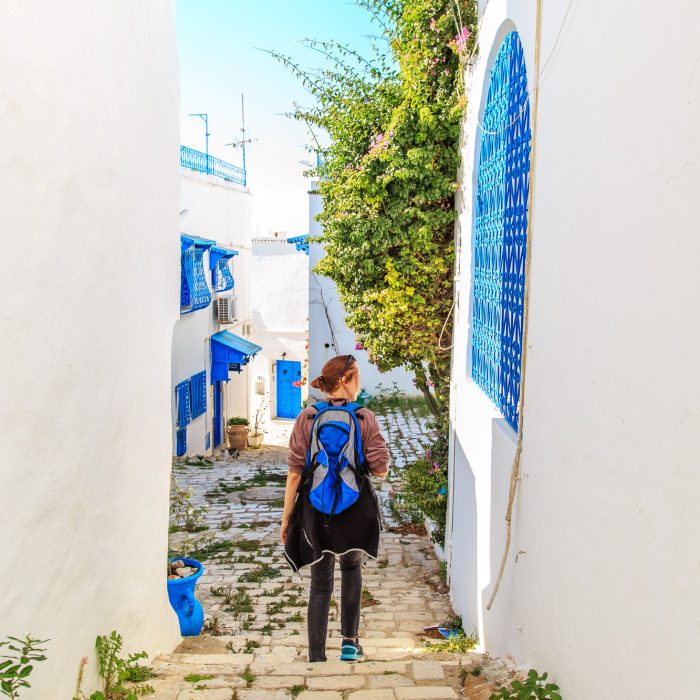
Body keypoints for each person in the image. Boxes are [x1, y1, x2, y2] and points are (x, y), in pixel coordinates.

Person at [281, 354, 390, 662]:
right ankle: (349, 645)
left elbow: (293, 473)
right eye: (356, 377)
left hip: (317, 510)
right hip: (356, 508)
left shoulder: (309, 417)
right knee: (352, 569)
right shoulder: (364, 416)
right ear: (345, 380)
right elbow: (380, 469)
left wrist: (287, 518)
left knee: (320, 583)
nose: (359, 384)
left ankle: (316, 655)